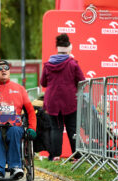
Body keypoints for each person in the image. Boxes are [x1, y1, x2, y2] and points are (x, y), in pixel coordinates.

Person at [0, 60, 37, 180]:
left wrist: (32, 128)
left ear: (9, 71)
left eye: (6, 68)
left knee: (15, 131)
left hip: (14, 127)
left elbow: (30, 111)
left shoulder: (20, 89)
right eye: (0, 68)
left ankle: (15, 167)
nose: (3, 70)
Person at [40, 33, 85, 161]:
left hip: (52, 102)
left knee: (56, 128)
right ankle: (76, 156)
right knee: (72, 128)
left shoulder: (48, 65)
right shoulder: (72, 64)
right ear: (69, 48)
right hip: (70, 102)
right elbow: (82, 80)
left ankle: (55, 156)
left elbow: (43, 82)